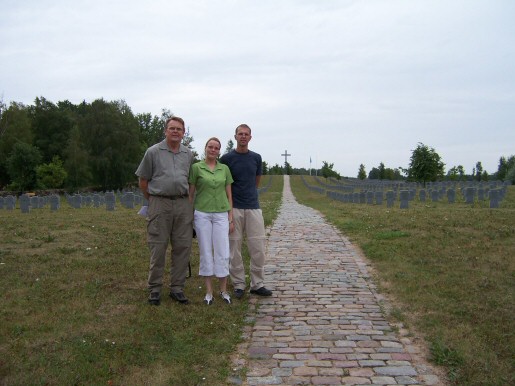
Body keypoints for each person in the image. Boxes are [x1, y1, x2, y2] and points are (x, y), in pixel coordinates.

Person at [135, 116, 194, 306]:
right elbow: (143, 180)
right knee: (158, 246)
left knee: (182, 246)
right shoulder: (153, 152)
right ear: (165, 131)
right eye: (172, 128)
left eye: (179, 129)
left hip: (183, 204)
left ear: (184, 132)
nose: (175, 132)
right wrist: (152, 200)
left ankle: (177, 287)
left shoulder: (188, 154)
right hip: (159, 203)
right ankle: (155, 288)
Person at [220, 124, 273, 299]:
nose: (243, 137)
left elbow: (256, 181)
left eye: (246, 134)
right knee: (234, 246)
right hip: (234, 207)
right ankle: (239, 284)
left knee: (257, 246)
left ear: (250, 137)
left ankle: (258, 283)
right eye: (240, 134)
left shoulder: (256, 158)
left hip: (253, 207)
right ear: (235, 137)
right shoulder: (227, 158)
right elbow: (224, 182)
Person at [189, 137, 234, 305]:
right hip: (202, 213)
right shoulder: (196, 168)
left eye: (216, 148)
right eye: (210, 147)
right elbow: (191, 193)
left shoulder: (225, 169)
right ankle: (209, 291)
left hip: (221, 213)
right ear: (205, 148)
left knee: (222, 251)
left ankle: (223, 289)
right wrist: (189, 214)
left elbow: (229, 193)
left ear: (219, 151)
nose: (213, 150)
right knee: (206, 250)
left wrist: (230, 217)